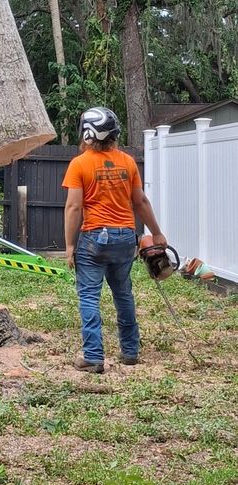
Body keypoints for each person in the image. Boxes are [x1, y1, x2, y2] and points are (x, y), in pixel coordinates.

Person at [63, 107, 167, 374]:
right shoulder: (128, 162)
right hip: (124, 236)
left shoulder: (80, 164)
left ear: (87, 133)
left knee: (89, 296)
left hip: (94, 237)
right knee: (123, 294)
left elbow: (74, 208)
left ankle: (93, 356)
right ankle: (130, 352)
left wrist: (70, 246)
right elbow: (140, 201)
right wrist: (156, 233)